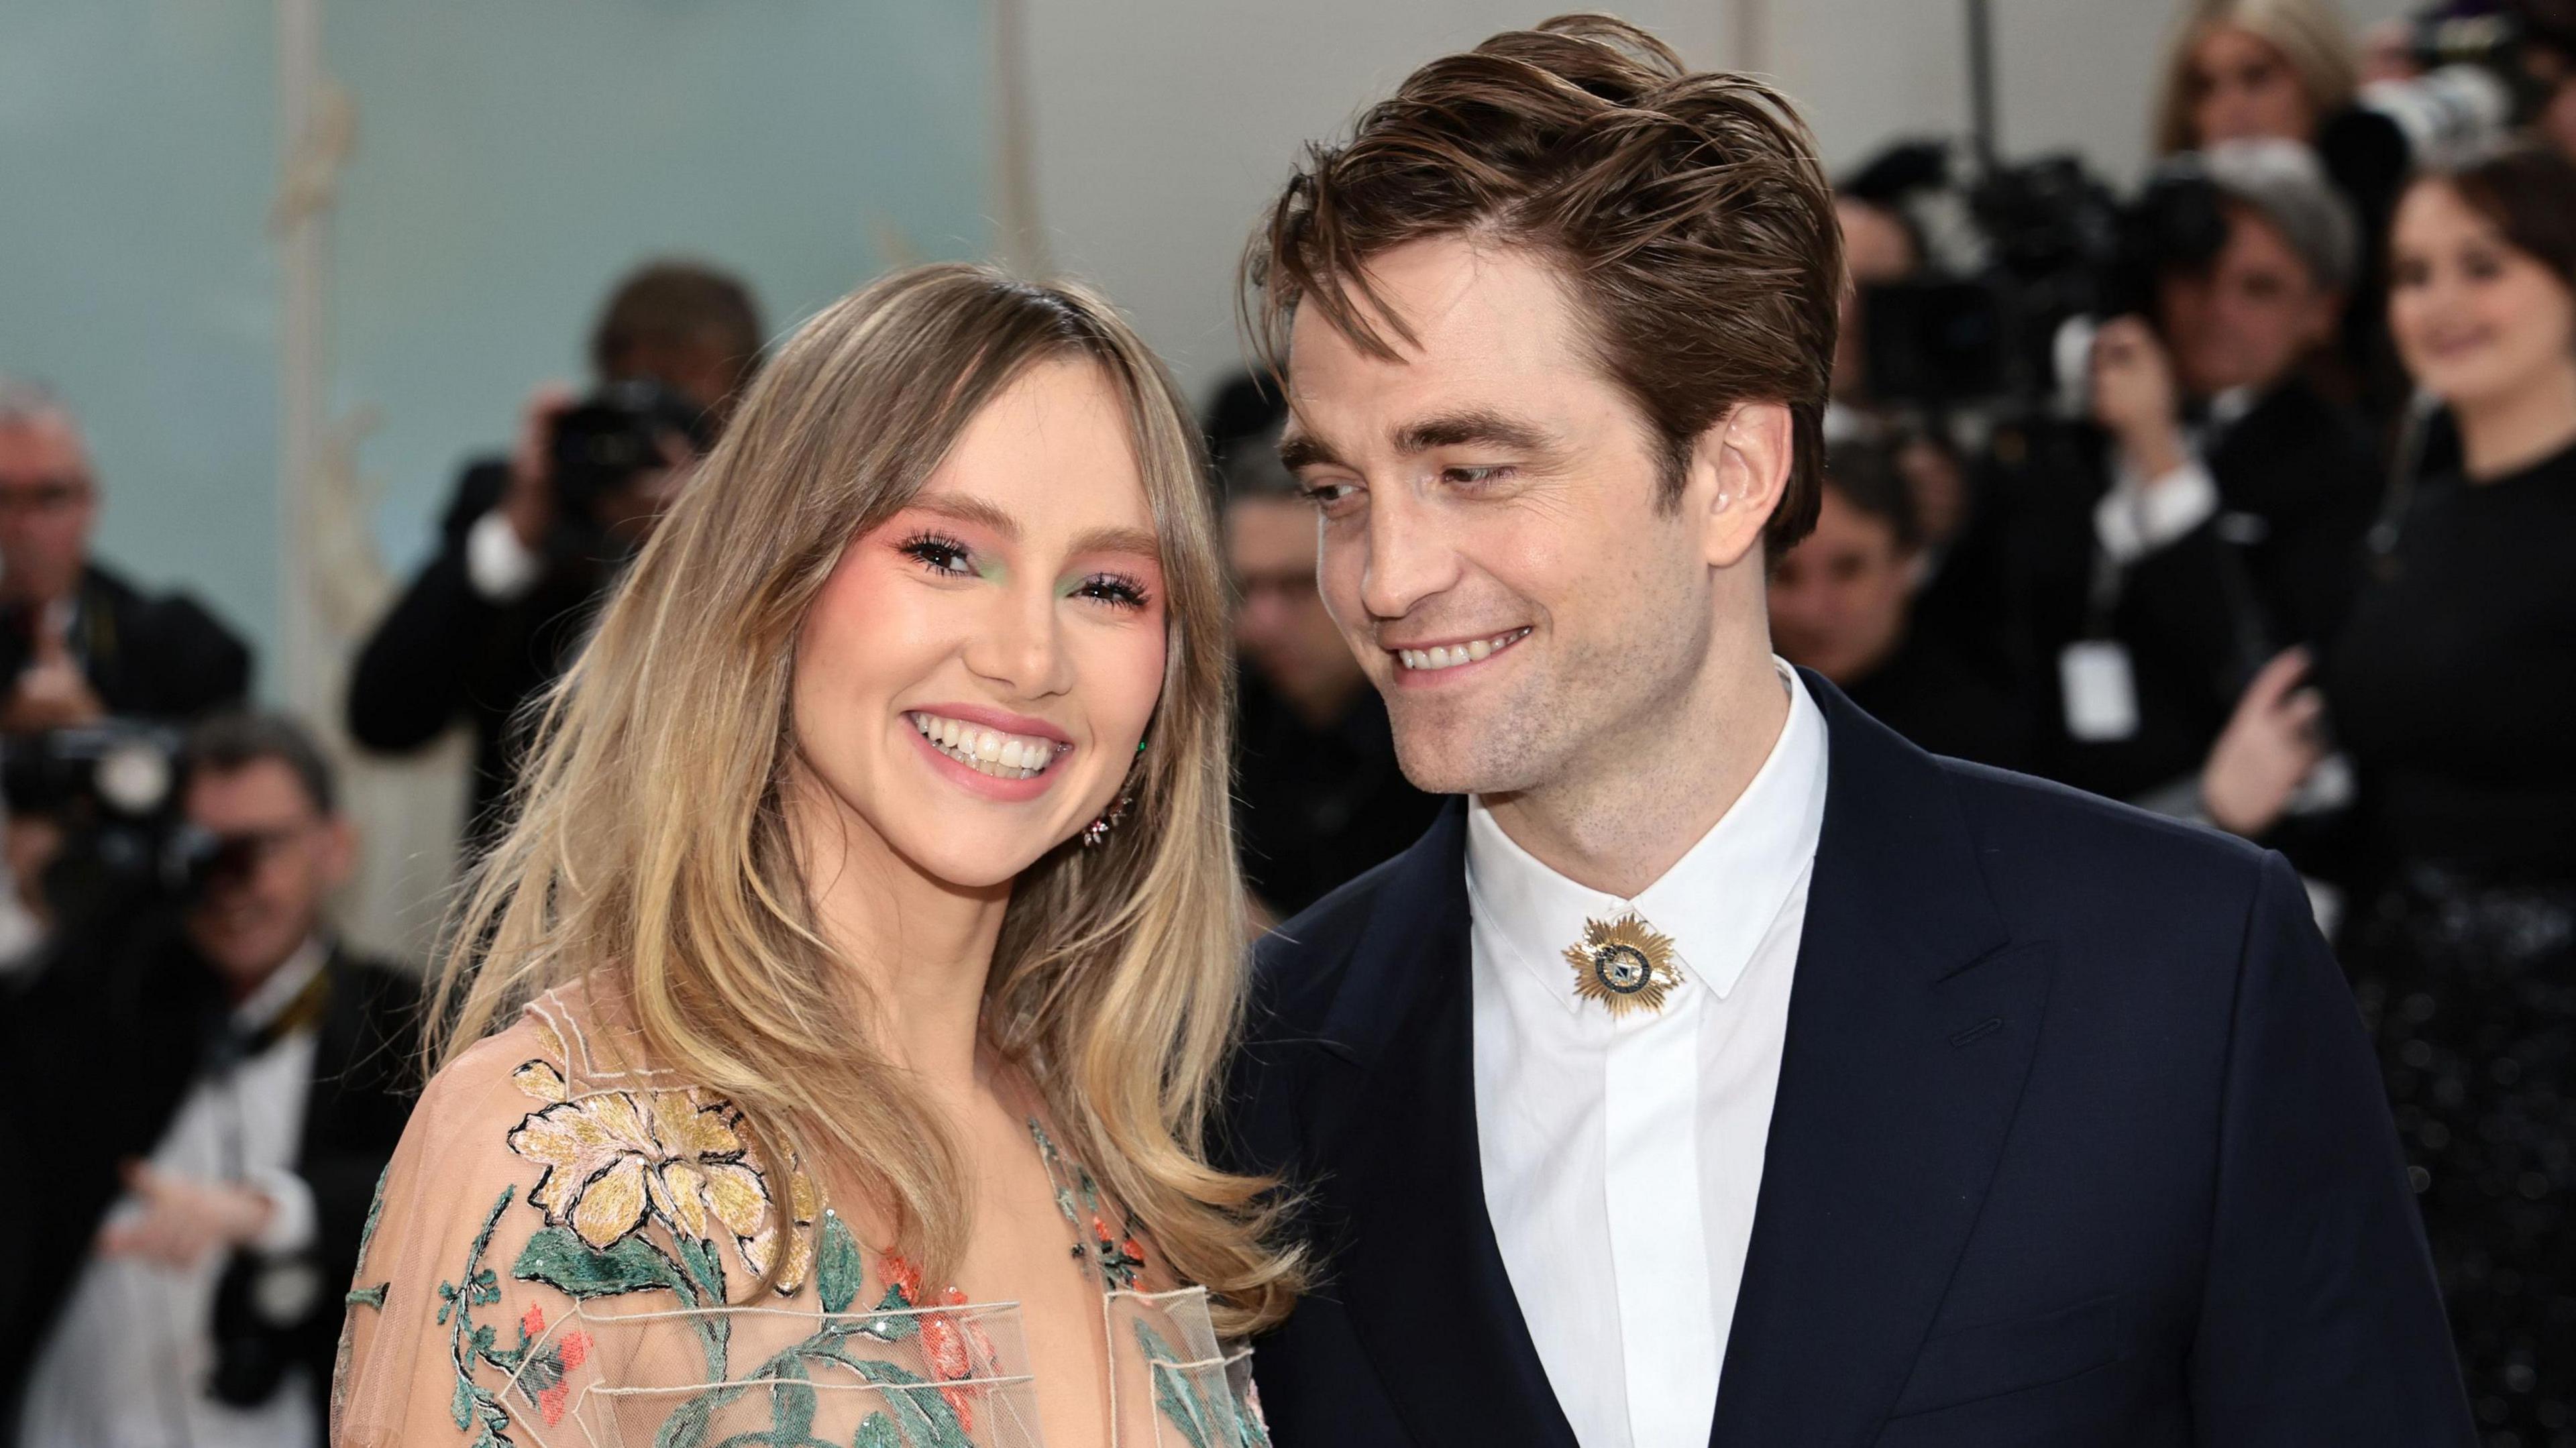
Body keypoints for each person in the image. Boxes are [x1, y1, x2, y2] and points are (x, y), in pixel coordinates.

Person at [1226, 16, 2470, 1445]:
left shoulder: (2180, 973)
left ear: (1734, 471)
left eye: (1472, 465)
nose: (1382, 576)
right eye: (1340, 488)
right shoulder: (1254, 1070)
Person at [333, 266, 1291, 1448]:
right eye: (944, 551)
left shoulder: (1138, 1166)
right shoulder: (551, 1158)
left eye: (1108, 585)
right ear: (771, 593)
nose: (1029, 654)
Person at [2204, 144, 2576, 1445]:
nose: (2441, 301)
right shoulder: (2412, 516)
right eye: (2415, 271)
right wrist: (2248, 813)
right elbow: (2395, 803)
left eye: (2485, 264)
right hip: (2407, 1027)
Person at [1, 713, 417, 1447]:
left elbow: (435, 1202)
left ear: (336, 847)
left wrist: (272, 1211)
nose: (228, 883)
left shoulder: (403, 1019)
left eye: (259, 849)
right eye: (203, 851)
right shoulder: (117, 989)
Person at [345, 261, 763, 837]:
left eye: (680, 389)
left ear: (742, 408)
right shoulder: (522, 505)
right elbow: (384, 717)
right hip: (526, 913)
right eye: (633, 389)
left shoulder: (774, 525)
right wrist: (513, 540)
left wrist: (706, 539)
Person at [2025, 137, 2379, 812]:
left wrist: (2161, 459)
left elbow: (2275, 686)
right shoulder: (2072, 434)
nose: (2219, 309)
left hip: (2248, 840)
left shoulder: (2342, 464)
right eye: (2197, 274)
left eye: (2260, 288)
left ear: (2323, 310)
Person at [1222, 412, 1444, 922]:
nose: (1261, 623)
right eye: (1245, 589)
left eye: (1297, 587)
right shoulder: (1228, 722)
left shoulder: (1448, 748)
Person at [2153, 0, 2414, 407]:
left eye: (2256, 77)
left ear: (2318, 81)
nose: (2231, 111)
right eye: (2204, 88)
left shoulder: (2400, 227)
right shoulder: (2165, 237)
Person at [0, 379, 252, 731]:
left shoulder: (177, 647)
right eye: (5, 498)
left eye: (50, 496)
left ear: (90, 502)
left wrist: (101, 742)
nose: (26, 524)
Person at [1772, 441, 2031, 771]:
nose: (1812, 609)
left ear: (1906, 562)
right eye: (1785, 575)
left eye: (1848, 569)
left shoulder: (1980, 739)